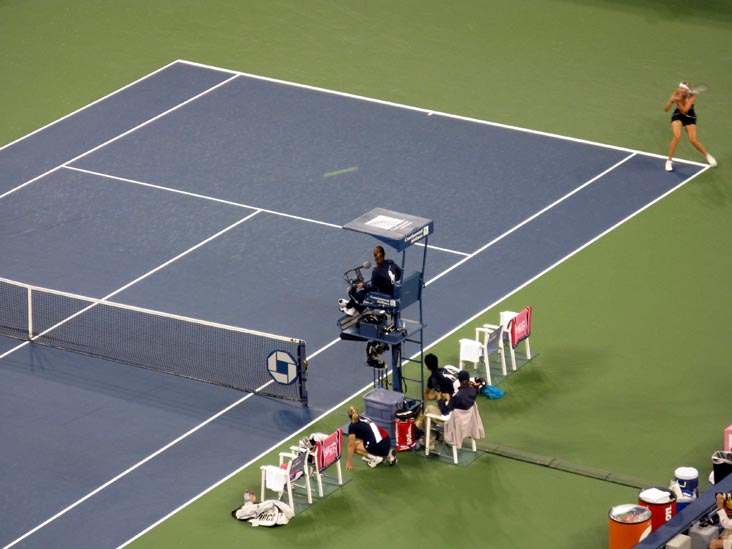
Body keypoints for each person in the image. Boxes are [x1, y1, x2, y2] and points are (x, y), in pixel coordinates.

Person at [664, 81, 717, 172]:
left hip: (689, 117)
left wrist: (678, 100)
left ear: (686, 90)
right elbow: (666, 109)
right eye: (679, 88)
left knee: (692, 139)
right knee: (677, 136)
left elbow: (685, 110)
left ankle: (707, 156)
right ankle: (669, 161)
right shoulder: (676, 94)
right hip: (678, 116)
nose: (679, 90)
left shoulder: (692, 96)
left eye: (682, 88)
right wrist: (671, 100)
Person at [339, 245, 402, 316]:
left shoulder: (376, 272)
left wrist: (363, 285)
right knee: (366, 292)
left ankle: (350, 308)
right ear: (384, 254)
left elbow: (374, 289)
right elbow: (400, 273)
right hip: (393, 290)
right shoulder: (391, 263)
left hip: (385, 295)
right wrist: (392, 281)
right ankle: (352, 304)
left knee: (364, 293)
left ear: (374, 256)